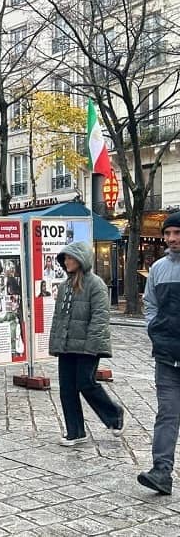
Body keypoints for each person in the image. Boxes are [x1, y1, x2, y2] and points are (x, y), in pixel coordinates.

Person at [48, 241, 124, 447]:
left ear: (81, 260)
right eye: (64, 258)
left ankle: (114, 414)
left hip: (88, 346)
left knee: (85, 383)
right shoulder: (64, 287)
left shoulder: (96, 284)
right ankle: (75, 432)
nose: (66, 261)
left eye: (70, 257)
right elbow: (59, 319)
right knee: (66, 389)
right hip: (67, 346)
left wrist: (92, 346)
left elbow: (100, 317)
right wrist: (55, 343)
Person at [138, 211, 180, 495]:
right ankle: (161, 472)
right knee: (167, 415)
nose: (171, 238)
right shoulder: (158, 268)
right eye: (168, 234)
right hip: (166, 357)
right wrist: (154, 326)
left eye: (176, 233)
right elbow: (149, 303)